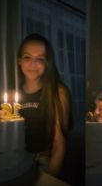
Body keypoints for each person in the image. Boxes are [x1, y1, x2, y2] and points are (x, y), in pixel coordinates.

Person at [17, 33, 72, 178]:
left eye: (40, 59)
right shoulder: (13, 93)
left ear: (47, 63)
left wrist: (50, 177)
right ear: (19, 61)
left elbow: (60, 142)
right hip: (17, 159)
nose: (32, 64)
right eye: (27, 57)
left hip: (45, 159)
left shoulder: (58, 92)